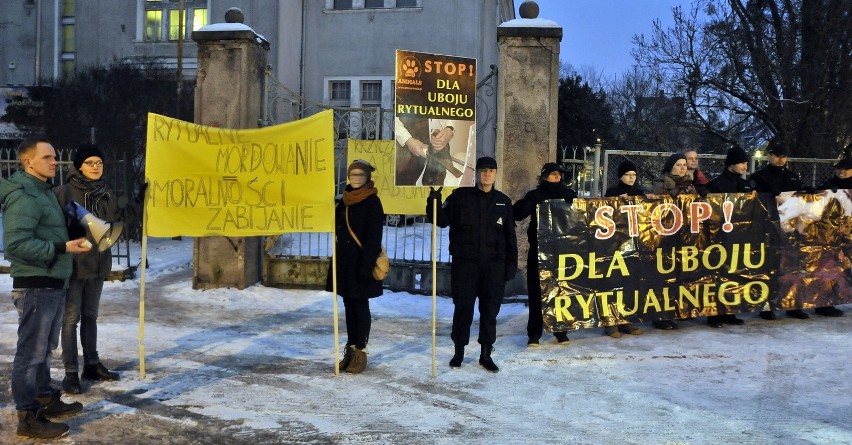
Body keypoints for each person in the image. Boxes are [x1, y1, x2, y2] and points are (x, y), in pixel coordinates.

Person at [0, 138, 92, 439]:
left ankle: (43, 398)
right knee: (30, 354)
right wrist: (62, 245)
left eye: (55, 157)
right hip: (36, 285)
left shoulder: (44, 192)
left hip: (52, 281)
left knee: (43, 350)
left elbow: (45, 231)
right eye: (48, 157)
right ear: (28, 162)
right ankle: (28, 418)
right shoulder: (24, 196)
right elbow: (15, 245)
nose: (56, 162)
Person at [54, 144, 142, 394]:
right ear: (79, 166)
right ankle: (71, 373)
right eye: (90, 163)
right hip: (73, 266)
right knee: (70, 320)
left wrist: (140, 201)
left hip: (98, 264)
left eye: (99, 163)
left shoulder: (106, 194)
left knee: (91, 316)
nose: (95, 167)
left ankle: (91, 364)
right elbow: (50, 225)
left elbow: (118, 220)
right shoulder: (63, 193)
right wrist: (67, 233)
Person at [427, 156, 517, 373]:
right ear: (476, 173)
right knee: (463, 308)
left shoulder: (503, 202)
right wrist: (433, 200)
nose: (487, 174)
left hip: (493, 267)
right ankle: (459, 351)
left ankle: (486, 353)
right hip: (465, 265)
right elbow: (441, 220)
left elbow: (510, 237)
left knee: (489, 311)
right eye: (483, 170)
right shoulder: (460, 197)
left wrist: (510, 265)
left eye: (491, 170)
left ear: (496, 174)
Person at [325, 159, 385, 374]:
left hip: (362, 264)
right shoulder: (345, 199)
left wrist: (365, 266)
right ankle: (350, 350)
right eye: (353, 175)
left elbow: (373, 238)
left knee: (360, 307)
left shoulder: (372, 202)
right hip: (345, 264)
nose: (356, 178)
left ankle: (360, 352)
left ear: (368, 177)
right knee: (349, 307)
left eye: (360, 175)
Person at [513, 162, 575, 346]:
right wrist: (532, 202)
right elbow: (517, 213)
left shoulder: (568, 195)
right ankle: (534, 333)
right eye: (553, 174)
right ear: (545, 176)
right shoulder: (535, 195)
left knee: (561, 291)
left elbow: (583, 214)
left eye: (559, 174)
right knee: (536, 292)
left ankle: (561, 331)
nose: (557, 177)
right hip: (539, 252)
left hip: (562, 252)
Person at [748, 138, 809, 320]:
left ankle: (793, 304)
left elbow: (799, 196)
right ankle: (767, 305)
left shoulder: (791, 176)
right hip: (767, 228)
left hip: (790, 228)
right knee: (769, 267)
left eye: (784, 157)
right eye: (777, 156)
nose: (781, 160)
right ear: (769, 156)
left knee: (792, 266)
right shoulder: (759, 177)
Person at [705, 146, 752, 328]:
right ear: (731, 164)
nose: (745, 166)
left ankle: (730, 310)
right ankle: (714, 313)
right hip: (720, 237)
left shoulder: (745, 184)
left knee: (735, 273)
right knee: (717, 274)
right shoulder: (717, 184)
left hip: (739, 237)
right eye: (741, 163)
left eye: (746, 163)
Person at [600, 160, 646, 338]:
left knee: (629, 282)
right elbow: (604, 210)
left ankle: (626, 319)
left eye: (634, 175)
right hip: (614, 244)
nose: (632, 178)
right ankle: (610, 322)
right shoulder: (612, 192)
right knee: (613, 282)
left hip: (633, 244)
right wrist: (617, 203)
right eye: (628, 175)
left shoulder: (639, 193)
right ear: (621, 176)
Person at [651, 153, 697, 330]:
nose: (683, 167)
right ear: (670, 167)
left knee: (680, 275)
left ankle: (675, 311)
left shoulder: (691, 186)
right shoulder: (662, 186)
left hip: (684, 237)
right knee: (663, 277)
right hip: (665, 237)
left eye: (684, 164)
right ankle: (660, 315)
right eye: (679, 164)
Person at [810, 156, 852, 317]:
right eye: (839, 169)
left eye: (845, 169)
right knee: (829, 268)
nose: (841, 172)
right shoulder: (829, 185)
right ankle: (825, 303)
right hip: (831, 235)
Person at [394, 117, 461, 186]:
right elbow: (390, 117)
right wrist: (407, 139)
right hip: (405, 149)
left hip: (432, 147)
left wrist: (449, 127)